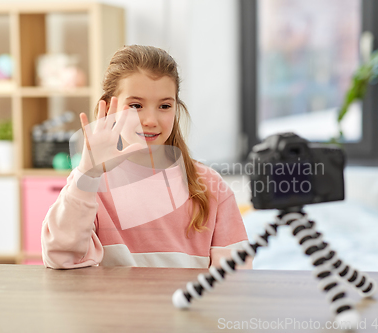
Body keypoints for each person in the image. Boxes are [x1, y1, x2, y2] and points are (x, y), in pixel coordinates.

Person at [42, 45, 252, 269]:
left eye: (164, 106)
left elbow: (235, 278)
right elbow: (60, 258)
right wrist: (87, 175)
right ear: (110, 108)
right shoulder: (90, 183)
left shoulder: (210, 186)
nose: (150, 119)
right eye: (136, 105)